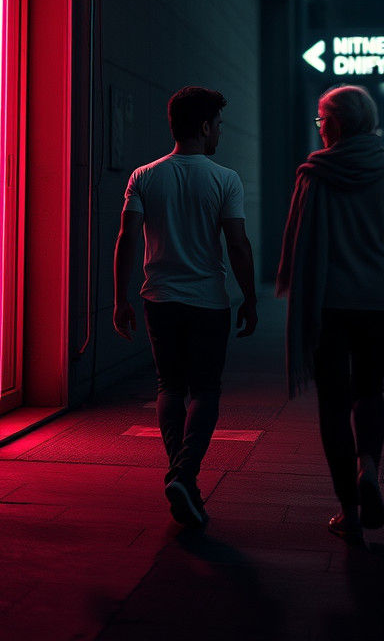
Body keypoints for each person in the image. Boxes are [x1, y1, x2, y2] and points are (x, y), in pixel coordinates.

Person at [276, 85, 384, 547]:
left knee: (333, 404)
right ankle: (370, 468)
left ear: (335, 124)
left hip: (329, 304)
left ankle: (348, 511)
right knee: (370, 391)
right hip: (382, 301)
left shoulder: (314, 176)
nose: (319, 129)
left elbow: (298, 244)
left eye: (322, 121)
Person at [113, 86, 258, 528]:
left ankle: (182, 478)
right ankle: (185, 472)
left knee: (169, 388)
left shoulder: (144, 176)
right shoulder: (224, 178)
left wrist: (120, 299)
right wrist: (250, 296)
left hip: (159, 298)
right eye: (218, 124)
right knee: (206, 391)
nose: (220, 133)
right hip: (208, 302)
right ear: (203, 126)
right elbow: (236, 242)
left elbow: (126, 239)